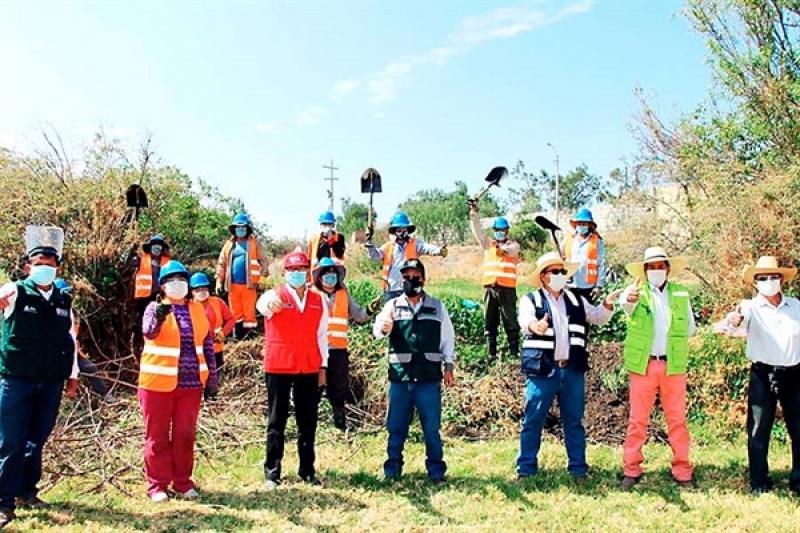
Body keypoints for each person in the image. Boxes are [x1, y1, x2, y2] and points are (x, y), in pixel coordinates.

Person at [0, 226, 79, 528]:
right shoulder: (15, 290)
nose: (44, 269)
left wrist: (72, 376)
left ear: (57, 267)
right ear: (27, 267)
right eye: (39, 264)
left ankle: (26, 492)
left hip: (50, 382)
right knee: (11, 442)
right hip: (16, 381)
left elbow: (70, 339)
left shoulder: (63, 298)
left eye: (50, 264)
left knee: (37, 439)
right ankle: (4, 503)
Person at [516, 252, 619, 481]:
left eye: (563, 272)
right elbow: (525, 321)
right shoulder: (530, 300)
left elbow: (598, 317)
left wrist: (608, 303)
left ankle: (578, 468)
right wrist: (535, 325)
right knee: (533, 419)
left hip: (571, 370)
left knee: (574, 421)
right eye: (555, 272)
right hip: (543, 369)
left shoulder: (576, 300)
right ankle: (526, 468)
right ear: (543, 276)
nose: (561, 275)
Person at [139, 260, 218, 502]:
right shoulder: (155, 308)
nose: (177, 285)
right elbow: (149, 332)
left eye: (182, 280)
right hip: (156, 385)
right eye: (171, 281)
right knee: (157, 436)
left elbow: (207, 344)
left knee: (185, 435)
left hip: (191, 385)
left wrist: (212, 378)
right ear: (162, 286)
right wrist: (159, 318)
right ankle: (157, 485)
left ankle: (183, 482)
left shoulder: (198, 310)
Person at [618, 247, 696, 490]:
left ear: (668, 269)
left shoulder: (681, 294)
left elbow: (691, 328)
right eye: (651, 267)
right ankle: (631, 469)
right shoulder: (635, 293)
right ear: (644, 270)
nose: (656, 270)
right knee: (637, 420)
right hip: (644, 365)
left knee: (677, 420)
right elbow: (625, 304)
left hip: (673, 365)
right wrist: (627, 298)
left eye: (660, 266)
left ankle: (683, 470)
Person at [373, 259, 456, 483]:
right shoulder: (392, 306)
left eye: (415, 276)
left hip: (428, 378)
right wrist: (384, 327)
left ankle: (436, 471)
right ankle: (392, 471)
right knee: (396, 427)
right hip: (400, 377)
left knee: (431, 428)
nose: (411, 281)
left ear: (423, 279)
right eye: (407, 277)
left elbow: (448, 339)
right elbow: (377, 330)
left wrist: (449, 365)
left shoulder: (437, 306)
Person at [727, 256, 800, 495]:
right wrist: (734, 320)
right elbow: (736, 322)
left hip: (794, 373)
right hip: (762, 374)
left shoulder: (796, 307)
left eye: (773, 277)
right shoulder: (749, 307)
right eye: (763, 278)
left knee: (798, 428)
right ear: (755, 283)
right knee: (758, 428)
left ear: (781, 280)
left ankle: (798, 479)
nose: (769, 281)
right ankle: (759, 481)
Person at [256, 249, 327, 489]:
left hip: (308, 366)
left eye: (301, 269)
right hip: (279, 367)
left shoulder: (318, 300)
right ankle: (272, 472)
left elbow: (322, 336)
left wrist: (323, 367)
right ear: (285, 272)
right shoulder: (274, 295)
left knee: (308, 421)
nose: (297, 273)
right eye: (292, 270)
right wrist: (270, 304)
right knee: (277, 421)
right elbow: (261, 305)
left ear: (307, 272)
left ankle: (307, 470)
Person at [311, 257, 371, 430]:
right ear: (319, 277)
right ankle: (310, 424)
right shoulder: (311, 295)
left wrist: (370, 310)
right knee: (314, 388)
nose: (330, 277)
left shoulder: (344, 295)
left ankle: (340, 425)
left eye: (333, 274)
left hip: (338, 350)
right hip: (317, 350)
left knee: (338, 389)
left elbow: (359, 316)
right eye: (326, 274)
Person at [468, 199, 521, 360]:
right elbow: (477, 230)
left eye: (502, 230)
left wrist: (499, 247)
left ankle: (513, 352)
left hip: (507, 289)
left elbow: (508, 251)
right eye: (497, 230)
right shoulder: (487, 244)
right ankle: (491, 353)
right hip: (490, 288)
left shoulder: (514, 246)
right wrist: (473, 212)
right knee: (490, 321)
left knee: (510, 320)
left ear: (507, 231)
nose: (500, 232)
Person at [53, 279, 113, 403]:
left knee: (89, 368)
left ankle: (106, 395)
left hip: (70, 349)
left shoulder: (69, 310)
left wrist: (77, 351)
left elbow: (73, 334)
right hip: (53, 352)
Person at [366, 212, 447, 301]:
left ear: (408, 231)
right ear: (395, 231)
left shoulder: (415, 244)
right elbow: (374, 255)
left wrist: (439, 251)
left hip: (409, 287)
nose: (401, 233)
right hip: (391, 289)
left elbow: (427, 248)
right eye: (399, 230)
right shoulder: (388, 246)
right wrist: (370, 243)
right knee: (391, 313)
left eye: (404, 230)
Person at [216, 213, 264, 339]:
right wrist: (218, 281)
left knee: (249, 312)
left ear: (247, 229)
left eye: (243, 227)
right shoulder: (229, 245)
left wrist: (261, 278)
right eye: (238, 227)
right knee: (235, 312)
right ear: (234, 229)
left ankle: (250, 339)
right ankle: (237, 337)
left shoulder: (254, 243)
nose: (240, 230)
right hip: (232, 286)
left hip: (249, 285)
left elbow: (263, 261)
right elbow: (221, 264)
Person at [189, 273, 235, 399]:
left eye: (204, 288)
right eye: (197, 289)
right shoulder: (188, 306)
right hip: (197, 349)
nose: (201, 291)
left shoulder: (217, 302)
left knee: (215, 374)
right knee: (198, 374)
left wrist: (223, 333)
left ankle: (212, 397)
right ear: (192, 291)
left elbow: (231, 319)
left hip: (216, 347)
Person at [131, 234, 171, 356]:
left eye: (159, 245)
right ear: (150, 247)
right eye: (154, 245)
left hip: (161, 296)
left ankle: (159, 343)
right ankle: (142, 345)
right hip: (144, 297)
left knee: (161, 320)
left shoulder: (168, 262)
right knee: (143, 321)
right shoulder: (141, 259)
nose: (157, 248)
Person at [562, 208, 605, 303]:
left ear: (589, 225)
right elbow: (560, 258)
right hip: (570, 285)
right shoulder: (568, 239)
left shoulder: (597, 241)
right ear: (576, 224)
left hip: (588, 286)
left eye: (584, 223)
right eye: (579, 223)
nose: (581, 225)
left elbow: (601, 264)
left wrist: (599, 286)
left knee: (586, 315)